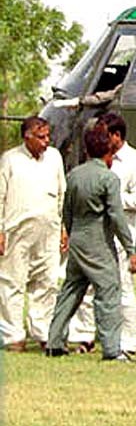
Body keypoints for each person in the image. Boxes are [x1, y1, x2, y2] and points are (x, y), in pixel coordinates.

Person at [45, 124, 136, 361]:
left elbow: (66, 211)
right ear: (107, 151)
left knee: (70, 291)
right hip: (98, 243)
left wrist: (70, 231)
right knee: (108, 293)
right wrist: (130, 249)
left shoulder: (74, 175)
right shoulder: (109, 178)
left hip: (77, 240)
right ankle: (112, 349)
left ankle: (54, 341)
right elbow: (117, 216)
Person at [67, 113, 136, 355]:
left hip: (121, 237)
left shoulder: (135, 162)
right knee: (87, 288)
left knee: (122, 288)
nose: (101, 138)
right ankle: (84, 336)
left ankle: (126, 342)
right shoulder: (94, 159)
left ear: (117, 135)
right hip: (94, 236)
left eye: (105, 134)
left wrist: (112, 200)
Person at [0, 116, 67, 351]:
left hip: (48, 230)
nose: (46, 141)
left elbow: (61, 195)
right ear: (27, 137)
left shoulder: (54, 158)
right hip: (16, 231)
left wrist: (62, 228)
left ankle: (43, 332)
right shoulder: (10, 160)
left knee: (47, 282)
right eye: (41, 137)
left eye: (48, 136)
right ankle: (13, 336)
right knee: (12, 283)